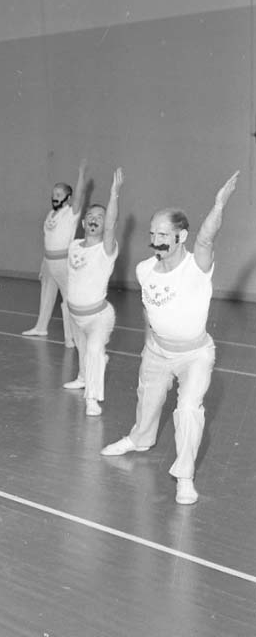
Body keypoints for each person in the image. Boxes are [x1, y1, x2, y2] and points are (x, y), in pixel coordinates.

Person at [101, 171, 239, 505]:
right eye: (152, 233)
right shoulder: (145, 270)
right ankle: (139, 439)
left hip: (194, 356)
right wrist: (149, 345)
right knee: (147, 400)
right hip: (157, 351)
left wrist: (219, 205)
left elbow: (206, 239)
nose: (156, 240)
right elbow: (149, 309)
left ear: (181, 236)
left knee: (189, 410)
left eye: (163, 234)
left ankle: (185, 477)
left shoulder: (196, 267)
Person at [63, 168, 123, 416]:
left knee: (94, 351)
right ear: (84, 223)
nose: (94, 219)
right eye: (90, 216)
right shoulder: (74, 245)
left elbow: (110, 227)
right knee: (83, 351)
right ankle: (82, 377)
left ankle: (92, 400)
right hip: (75, 314)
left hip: (98, 316)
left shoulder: (107, 250)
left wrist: (114, 195)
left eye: (100, 216)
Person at [22, 159, 88, 346]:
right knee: (46, 295)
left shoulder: (71, 213)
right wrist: (44, 264)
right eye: (53, 194)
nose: (55, 197)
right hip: (49, 262)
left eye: (59, 194)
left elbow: (80, 196)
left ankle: (70, 337)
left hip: (63, 262)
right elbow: (48, 240)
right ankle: (40, 327)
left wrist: (81, 174)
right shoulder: (50, 215)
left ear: (68, 198)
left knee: (68, 300)